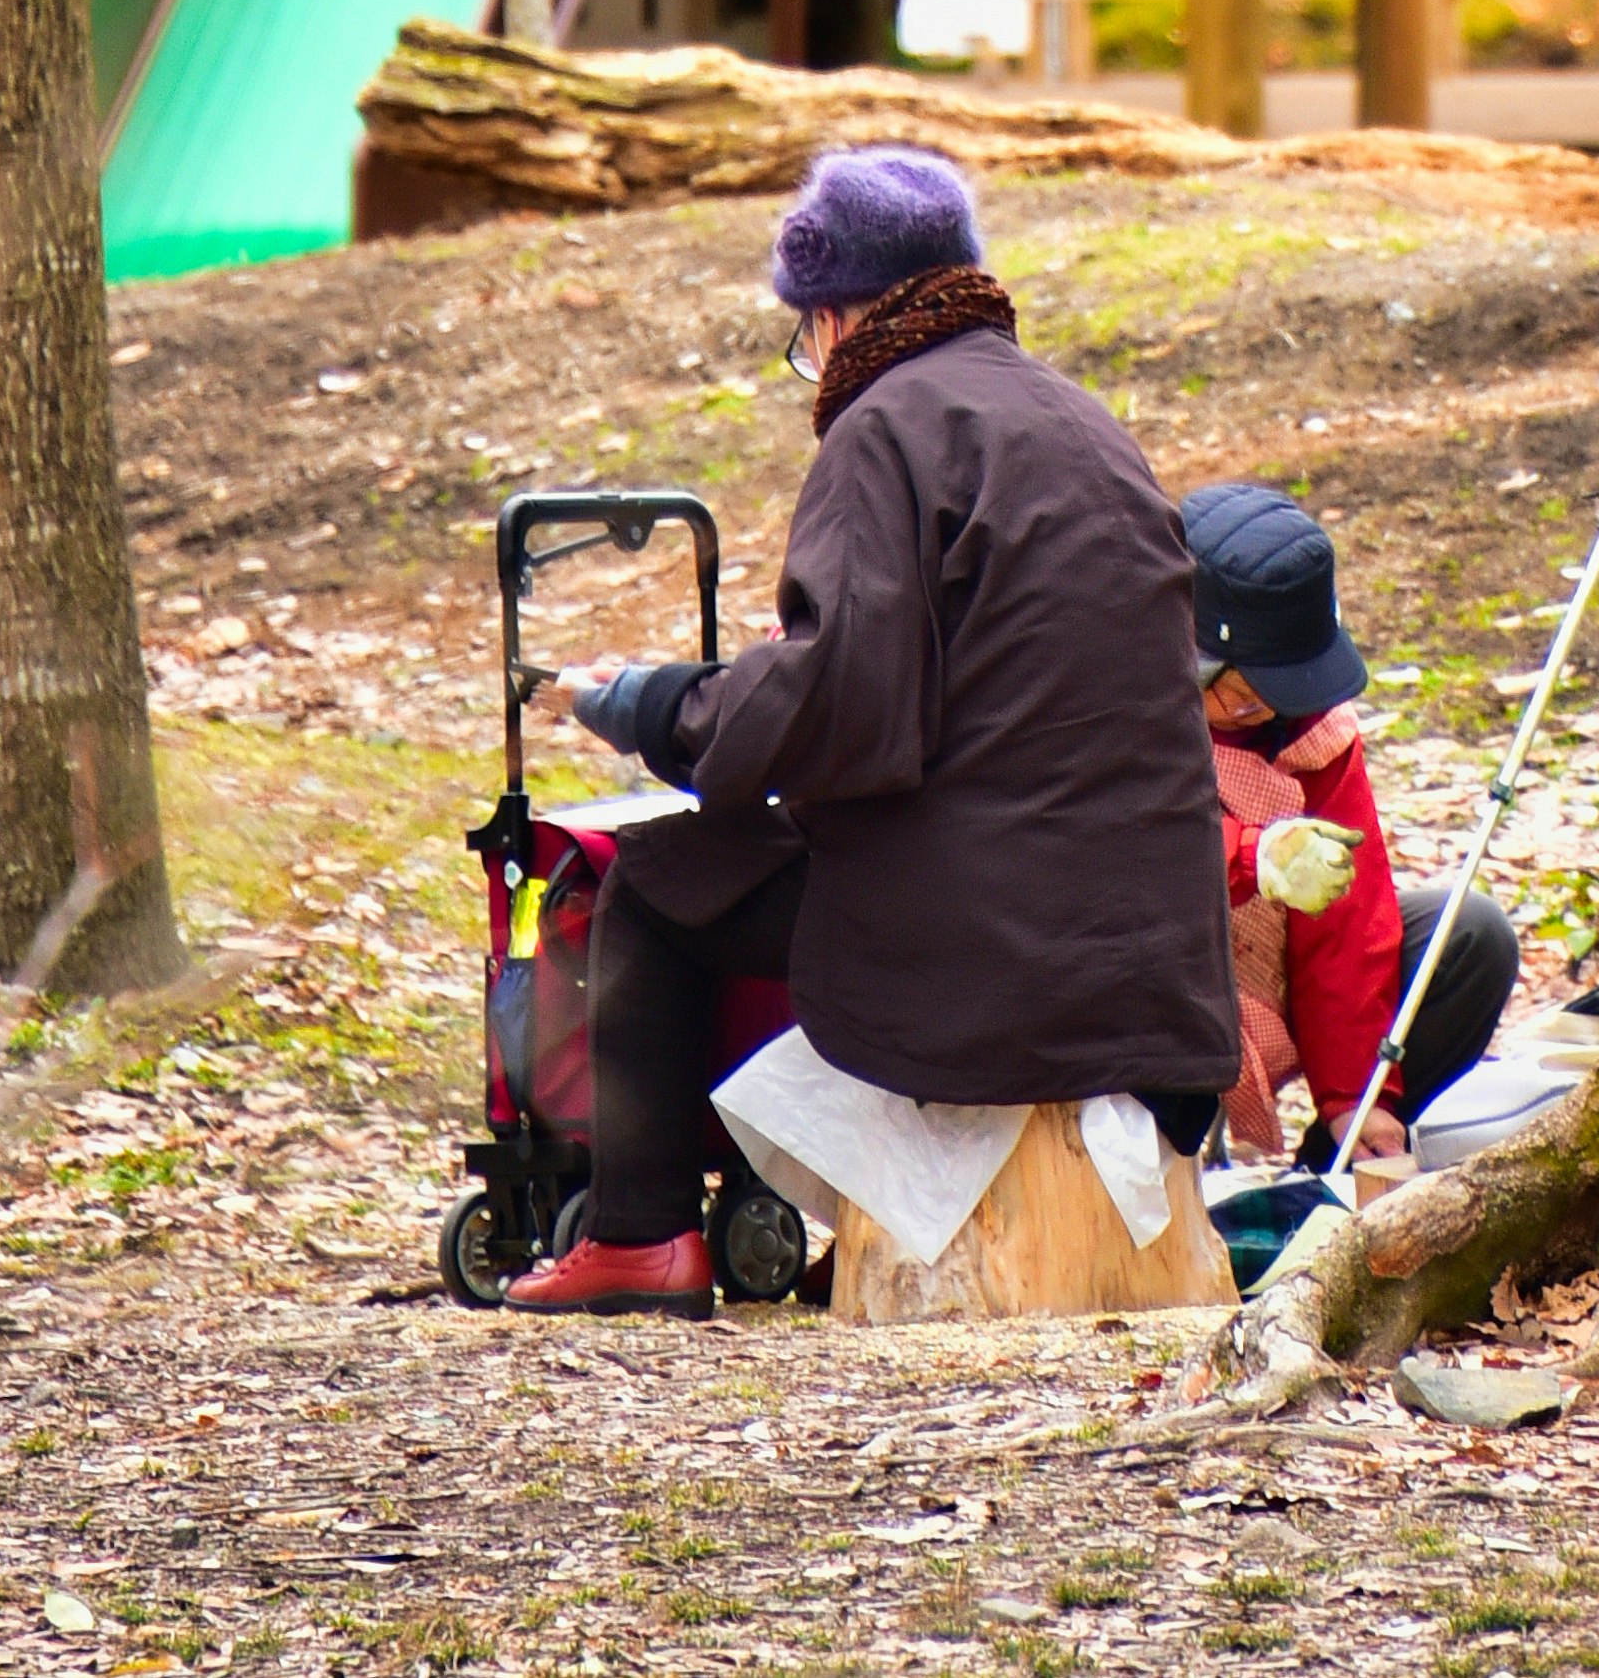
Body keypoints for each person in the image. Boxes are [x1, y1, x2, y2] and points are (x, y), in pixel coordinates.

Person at [509, 143, 1240, 1316]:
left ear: (838, 311)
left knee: (655, 877)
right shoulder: (1081, 419)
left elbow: (844, 706)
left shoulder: (886, 426)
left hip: (1003, 950)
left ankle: (641, 1235)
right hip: (1148, 956)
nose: (812, 359)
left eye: (807, 332)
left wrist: (657, 705)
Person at [1181, 478, 1515, 1168]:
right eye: (1246, 701)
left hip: (1273, 976)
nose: (1270, 716)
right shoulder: (1116, 706)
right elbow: (1129, 850)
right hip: (1169, 980)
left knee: (1470, 935)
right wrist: (1255, 855)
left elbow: (1348, 920)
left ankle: (1326, 1180)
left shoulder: (1318, 735)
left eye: (1286, 692)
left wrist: (1359, 1095)